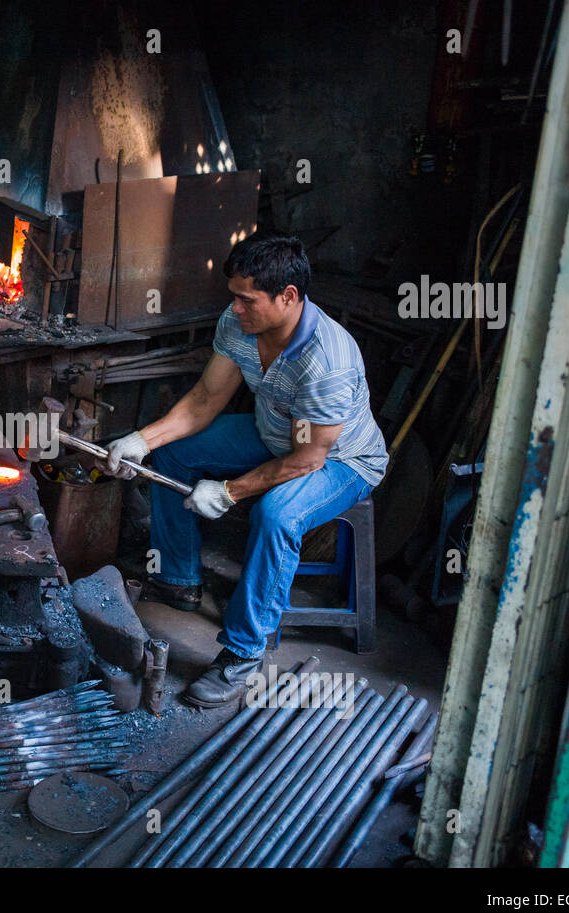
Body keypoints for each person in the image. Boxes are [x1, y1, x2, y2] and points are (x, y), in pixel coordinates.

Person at [104, 233, 387, 707]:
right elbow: (205, 401)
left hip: (342, 461)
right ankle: (178, 580)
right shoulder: (240, 326)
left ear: (288, 297)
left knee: (277, 515)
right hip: (273, 432)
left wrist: (229, 492)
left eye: (246, 299)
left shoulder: (328, 361)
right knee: (175, 454)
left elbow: (307, 458)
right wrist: (141, 441)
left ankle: (242, 653)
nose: (234, 308)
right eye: (233, 296)